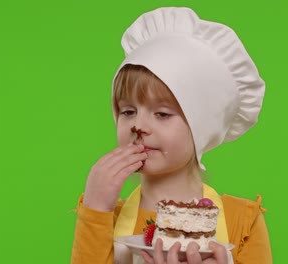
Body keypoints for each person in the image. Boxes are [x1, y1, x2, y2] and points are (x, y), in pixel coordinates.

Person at [71, 7, 272, 264]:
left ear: (201, 126)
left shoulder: (241, 222)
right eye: (128, 111)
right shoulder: (104, 218)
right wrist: (95, 209)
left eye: (162, 114)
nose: (138, 125)